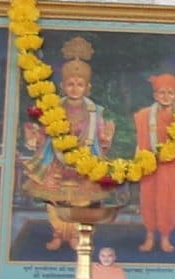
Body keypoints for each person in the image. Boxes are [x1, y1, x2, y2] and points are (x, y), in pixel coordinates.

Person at [27, 53, 113, 251]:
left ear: (88, 87)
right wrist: (35, 137)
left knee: (82, 200)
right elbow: (44, 133)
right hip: (56, 161)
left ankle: (76, 235)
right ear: (63, 86)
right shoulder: (53, 108)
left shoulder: (95, 111)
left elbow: (100, 137)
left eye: (80, 84)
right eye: (70, 84)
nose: (75, 88)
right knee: (54, 200)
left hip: (85, 163)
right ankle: (58, 233)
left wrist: (106, 138)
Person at [130, 74, 175, 255]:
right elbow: (140, 142)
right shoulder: (144, 116)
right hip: (150, 163)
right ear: (155, 95)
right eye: (161, 92)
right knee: (148, 199)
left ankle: (165, 236)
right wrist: (138, 162)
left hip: (172, 166)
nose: (165, 96)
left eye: (170, 93)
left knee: (169, 200)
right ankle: (149, 235)